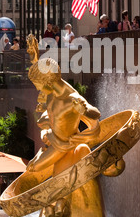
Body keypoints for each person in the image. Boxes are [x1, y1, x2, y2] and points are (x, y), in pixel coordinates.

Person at [25, 35, 101, 173]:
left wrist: (84, 110)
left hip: (62, 145)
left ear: (48, 82)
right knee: (41, 121)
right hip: (53, 133)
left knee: (33, 168)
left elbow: (95, 113)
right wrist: (34, 56)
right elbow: (42, 71)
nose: (38, 89)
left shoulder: (71, 99)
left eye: (38, 86)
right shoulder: (52, 89)